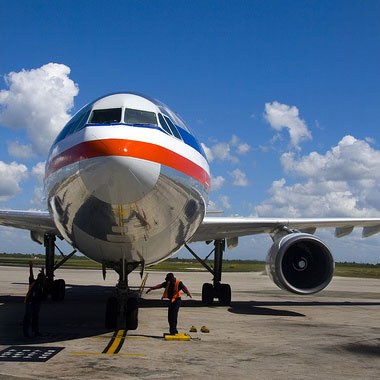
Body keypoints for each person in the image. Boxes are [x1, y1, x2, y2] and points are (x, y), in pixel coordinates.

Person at [23, 260, 46, 338]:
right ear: (37, 278)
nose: (40, 278)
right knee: (28, 317)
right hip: (30, 301)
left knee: (35, 317)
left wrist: (43, 271)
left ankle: (35, 331)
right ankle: (26, 332)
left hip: (37, 302)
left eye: (41, 277)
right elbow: (31, 274)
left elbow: (44, 279)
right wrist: (30, 267)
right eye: (40, 277)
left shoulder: (41, 284)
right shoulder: (33, 282)